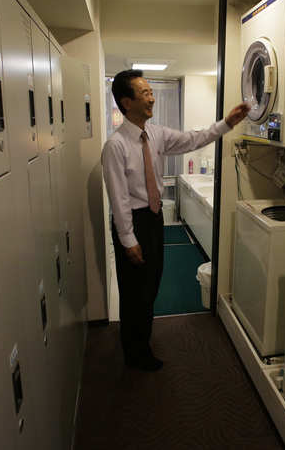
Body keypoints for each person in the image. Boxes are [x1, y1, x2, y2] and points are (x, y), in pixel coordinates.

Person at [102, 69, 249, 371]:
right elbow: (118, 199)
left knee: (151, 285)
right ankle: (134, 354)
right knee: (134, 292)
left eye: (151, 92)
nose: (152, 98)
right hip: (134, 222)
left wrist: (227, 123)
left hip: (154, 220)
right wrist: (128, 240)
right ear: (126, 102)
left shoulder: (155, 134)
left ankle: (141, 341)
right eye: (144, 93)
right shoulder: (115, 146)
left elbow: (194, 140)